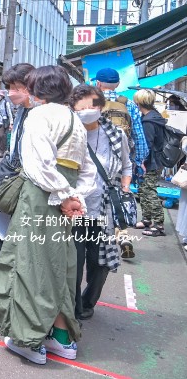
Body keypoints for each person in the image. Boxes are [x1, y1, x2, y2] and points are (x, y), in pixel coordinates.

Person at [0, 65, 96, 365]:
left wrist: (64, 196)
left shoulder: (39, 116)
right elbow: (87, 170)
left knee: (29, 267)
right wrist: (75, 197)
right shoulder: (74, 120)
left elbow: (39, 166)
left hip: (40, 198)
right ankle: (62, 340)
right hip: (66, 202)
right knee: (61, 268)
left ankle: (29, 341)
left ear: (39, 89)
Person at [69, 84, 130, 320]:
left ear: (101, 106)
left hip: (103, 211)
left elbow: (127, 164)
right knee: (73, 263)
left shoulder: (115, 135)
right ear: (73, 109)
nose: (87, 110)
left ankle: (87, 302)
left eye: (92, 105)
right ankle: (73, 307)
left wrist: (124, 187)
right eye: (81, 107)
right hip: (74, 209)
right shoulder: (69, 134)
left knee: (100, 262)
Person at [0, 63, 34, 285]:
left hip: (26, 187)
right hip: (15, 183)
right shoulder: (22, 111)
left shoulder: (38, 114)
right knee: (5, 237)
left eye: (16, 87)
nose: (11, 92)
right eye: (9, 87)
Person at [93, 68, 148, 178]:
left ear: (98, 84)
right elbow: (139, 136)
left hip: (93, 158)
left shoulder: (91, 102)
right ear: (118, 84)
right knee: (117, 192)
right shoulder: (130, 104)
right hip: (120, 160)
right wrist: (138, 161)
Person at [135, 89, 167, 237]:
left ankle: (159, 225)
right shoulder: (154, 116)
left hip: (151, 161)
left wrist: (142, 162)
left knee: (149, 191)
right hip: (155, 160)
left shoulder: (148, 121)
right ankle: (147, 219)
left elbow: (147, 144)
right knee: (143, 190)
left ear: (139, 102)